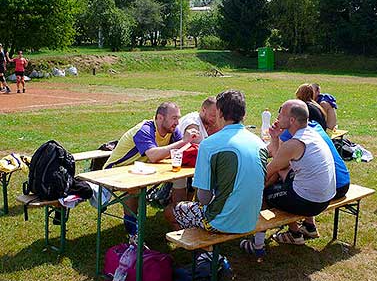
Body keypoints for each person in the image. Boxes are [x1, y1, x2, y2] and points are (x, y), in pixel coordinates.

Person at [165, 90, 268, 234]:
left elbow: (204, 198)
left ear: (219, 112)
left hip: (221, 222)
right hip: (251, 219)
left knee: (170, 211)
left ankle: (203, 253)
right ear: (243, 114)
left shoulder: (209, 145)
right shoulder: (260, 144)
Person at [241, 100, 335, 256]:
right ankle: (298, 232)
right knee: (282, 179)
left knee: (265, 193)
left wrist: (244, 189)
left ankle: (257, 246)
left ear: (292, 120)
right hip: (324, 197)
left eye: (281, 113)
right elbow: (282, 165)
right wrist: (275, 138)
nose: (277, 116)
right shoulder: (310, 134)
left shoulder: (294, 143)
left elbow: (267, 172)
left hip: (310, 201)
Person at [103, 102, 200, 236]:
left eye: (178, 118)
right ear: (160, 118)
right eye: (174, 118)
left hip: (145, 169)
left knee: (180, 177)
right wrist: (184, 141)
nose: (177, 122)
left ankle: (179, 216)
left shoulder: (172, 131)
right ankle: (132, 230)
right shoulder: (145, 129)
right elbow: (153, 155)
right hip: (117, 170)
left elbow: (181, 151)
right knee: (135, 186)